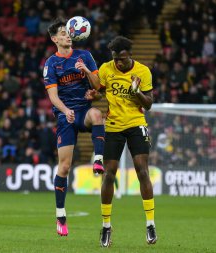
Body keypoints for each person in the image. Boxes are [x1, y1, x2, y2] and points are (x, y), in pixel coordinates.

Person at [43, 19, 105, 236]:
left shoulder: (85, 56)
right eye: (63, 33)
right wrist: (64, 110)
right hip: (65, 116)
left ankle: (98, 160)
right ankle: (60, 214)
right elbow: (53, 96)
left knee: (98, 114)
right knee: (64, 167)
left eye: (68, 32)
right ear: (54, 39)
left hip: (84, 111)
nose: (68, 35)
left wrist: (86, 70)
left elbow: (98, 87)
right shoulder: (51, 64)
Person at [95, 36, 157, 247]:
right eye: (115, 58)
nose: (118, 63)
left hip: (136, 124)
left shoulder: (143, 71)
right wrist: (92, 95)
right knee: (109, 174)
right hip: (113, 127)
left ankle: (150, 223)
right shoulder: (106, 69)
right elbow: (98, 92)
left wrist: (136, 91)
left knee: (142, 170)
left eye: (121, 58)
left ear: (129, 55)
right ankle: (105, 226)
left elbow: (148, 104)